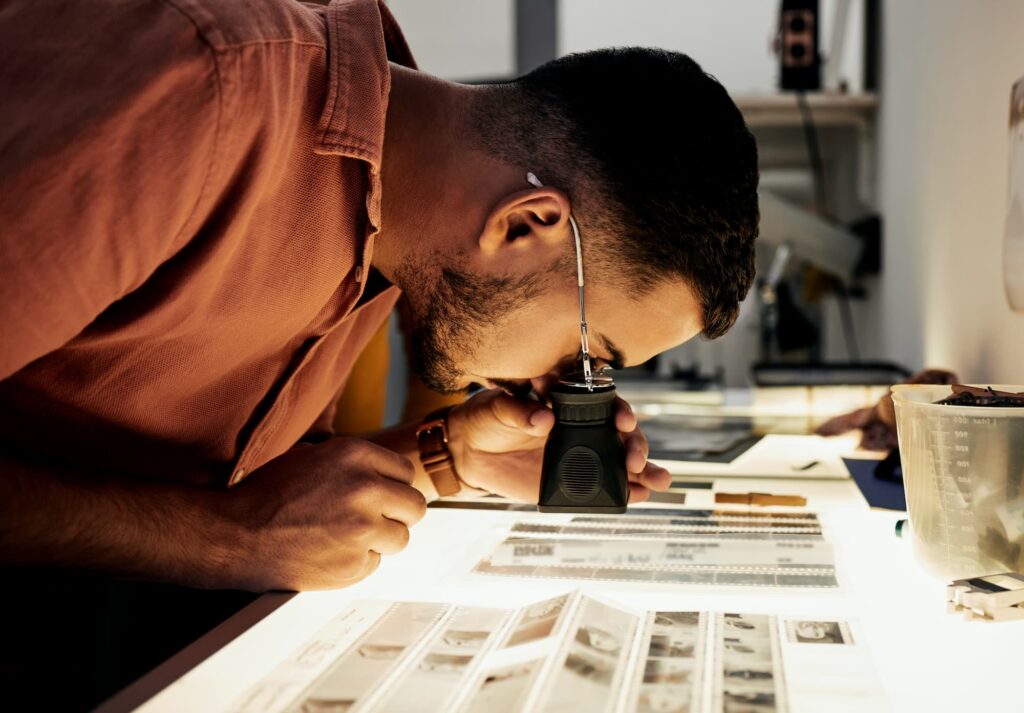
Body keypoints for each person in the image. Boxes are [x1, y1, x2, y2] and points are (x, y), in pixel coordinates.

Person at [0, 0, 759, 593]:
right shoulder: (204, 89)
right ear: (526, 224)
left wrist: (453, 456)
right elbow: (230, 522)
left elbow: (242, 493)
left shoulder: (385, 232)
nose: (554, 391)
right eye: (585, 356)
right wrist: (227, 538)